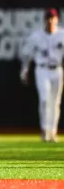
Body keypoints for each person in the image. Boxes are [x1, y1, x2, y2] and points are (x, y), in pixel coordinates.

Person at [20, 8, 64, 142]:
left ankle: (53, 131)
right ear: (44, 20)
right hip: (42, 69)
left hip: (57, 69)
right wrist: (24, 70)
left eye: (53, 18)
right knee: (45, 100)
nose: (50, 20)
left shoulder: (62, 34)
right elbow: (26, 54)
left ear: (57, 19)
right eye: (48, 18)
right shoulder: (36, 36)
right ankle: (45, 130)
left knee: (55, 102)